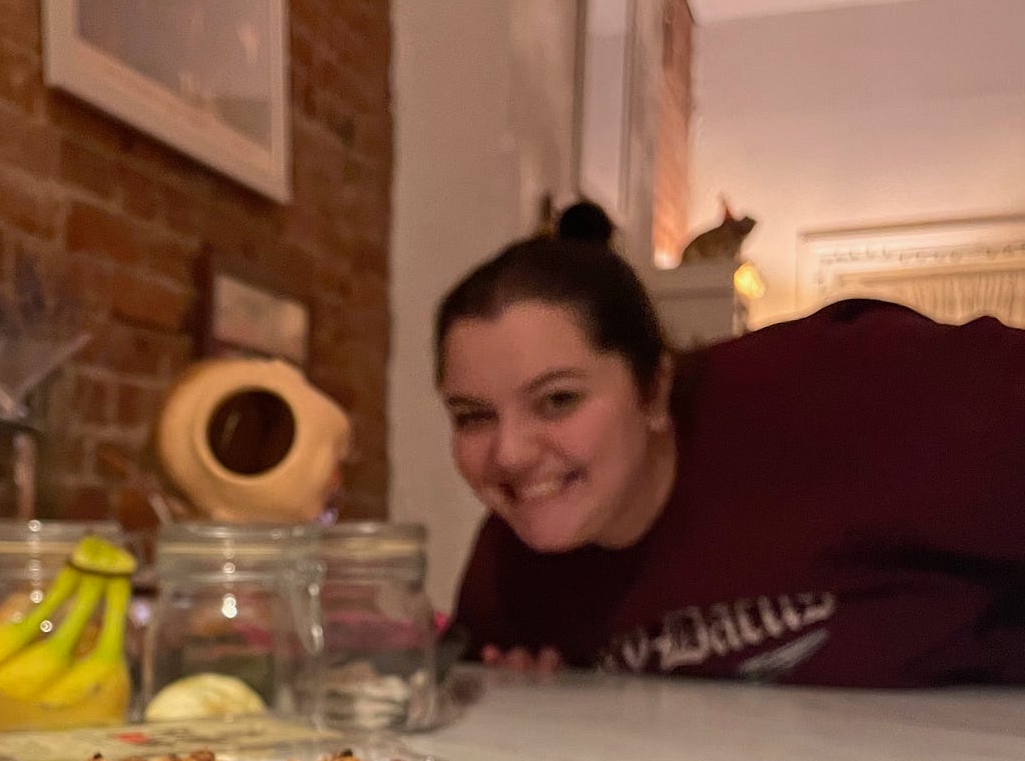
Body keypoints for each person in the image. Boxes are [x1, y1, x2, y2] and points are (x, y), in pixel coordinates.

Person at [438, 236, 1025, 686]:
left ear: (654, 389)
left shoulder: (850, 392)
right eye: (472, 416)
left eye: (558, 399)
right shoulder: (509, 574)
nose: (510, 454)